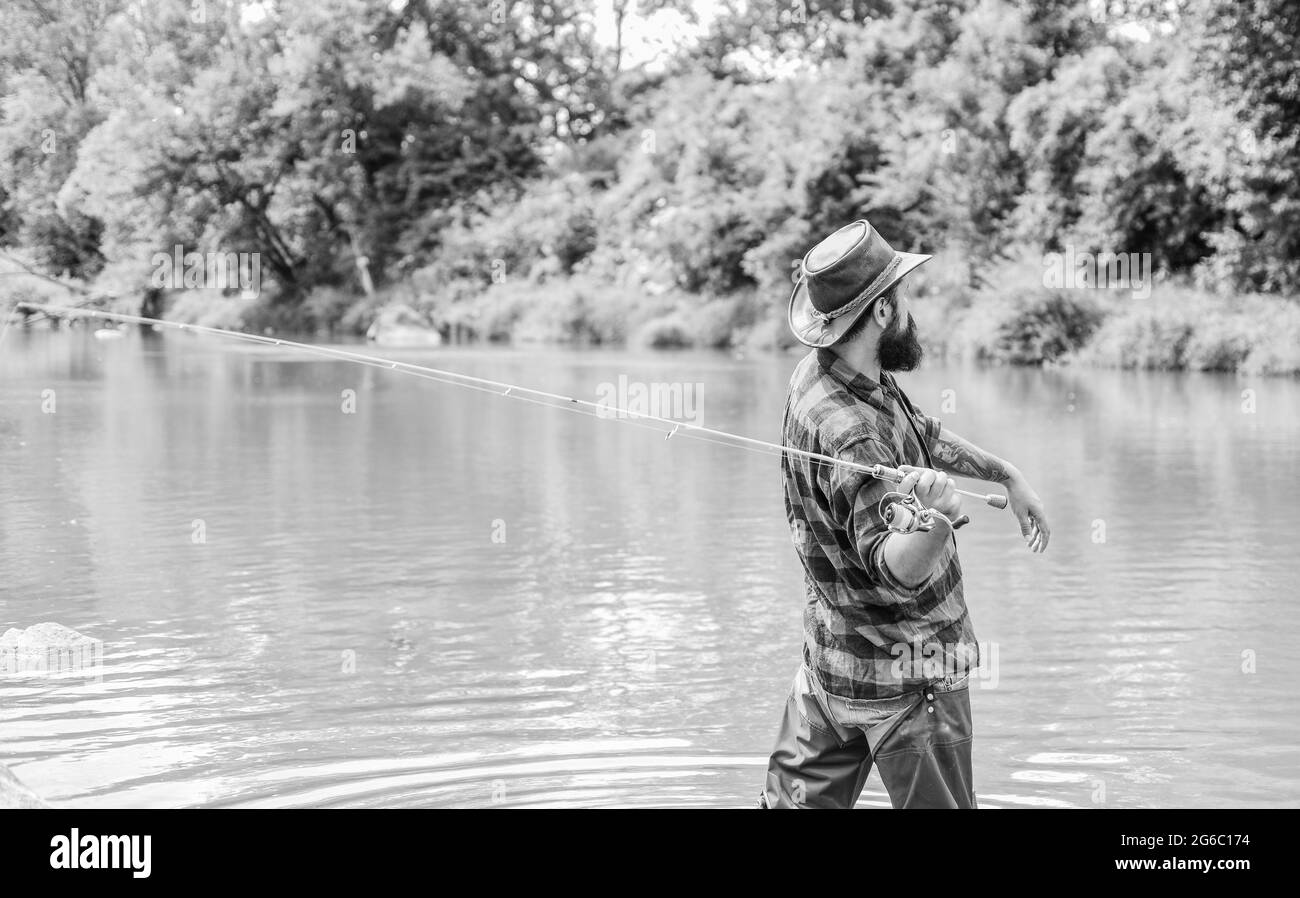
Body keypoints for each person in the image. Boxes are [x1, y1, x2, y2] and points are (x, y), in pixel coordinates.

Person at [759, 219, 1050, 809]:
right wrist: (938, 521)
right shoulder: (851, 435)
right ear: (885, 312)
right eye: (903, 295)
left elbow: (920, 432)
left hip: (830, 668)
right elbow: (896, 568)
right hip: (912, 682)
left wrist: (1003, 473)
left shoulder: (827, 375)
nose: (910, 307)